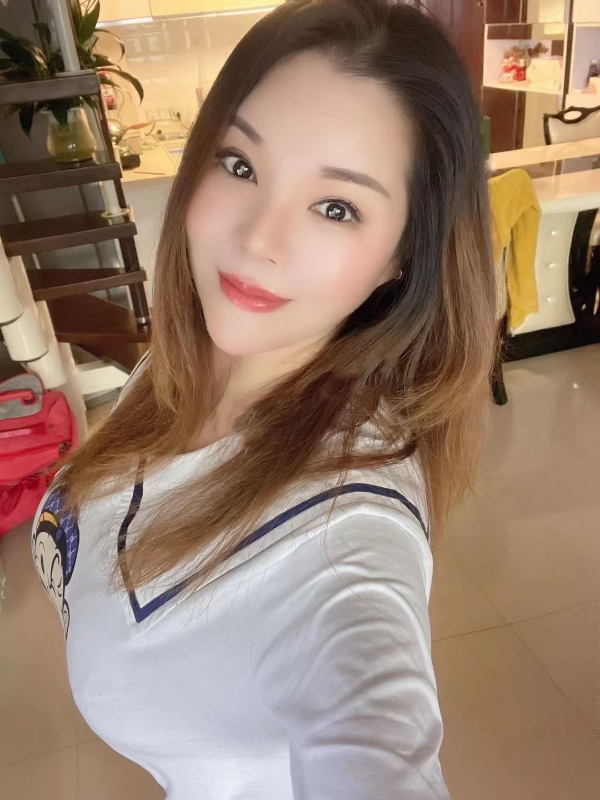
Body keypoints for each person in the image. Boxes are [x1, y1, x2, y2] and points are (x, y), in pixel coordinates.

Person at [31, 1, 497, 798]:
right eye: (241, 164)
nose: (257, 240)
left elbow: (375, 732)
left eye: (336, 206)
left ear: (403, 256)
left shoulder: (347, 539)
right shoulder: (189, 358)